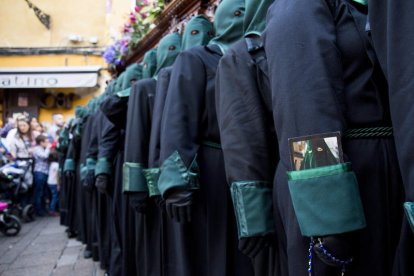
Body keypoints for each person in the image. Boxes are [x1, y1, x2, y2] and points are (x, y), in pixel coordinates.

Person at [264, 0, 405, 275]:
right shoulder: (298, 5)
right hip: (344, 179)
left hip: (384, 170)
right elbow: (305, 107)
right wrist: (328, 215)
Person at [32, 134, 51, 216]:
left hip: (45, 172)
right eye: (46, 142)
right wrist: (48, 148)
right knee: (39, 192)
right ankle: (38, 210)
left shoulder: (43, 148)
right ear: (41, 142)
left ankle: (43, 209)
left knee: (43, 192)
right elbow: (44, 156)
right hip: (39, 172)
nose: (48, 143)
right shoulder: (37, 149)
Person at [47, 149, 59, 216]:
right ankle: (52, 210)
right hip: (54, 182)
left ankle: (52, 208)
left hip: (49, 181)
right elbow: (57, 175)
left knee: (52, 196)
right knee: (55, 196)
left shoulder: (51, 164)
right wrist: (58, 184)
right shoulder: (56, 165)